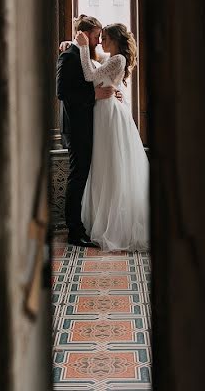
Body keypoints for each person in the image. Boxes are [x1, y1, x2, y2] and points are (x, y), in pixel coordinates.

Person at [75, 22, 149, 252]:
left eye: (105, 38)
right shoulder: (111, 60)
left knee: (111, 166)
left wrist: (83, 47)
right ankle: (103, 218)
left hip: (108, 115)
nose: (102, 41)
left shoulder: (117, 59)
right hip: (103, 112)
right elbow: (100, 75)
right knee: (103, 166)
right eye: (101, 37)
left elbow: (89, 74)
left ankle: (115, 225)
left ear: (116, 39)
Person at [56, 15, 116, 248]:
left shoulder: (84, 55)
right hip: (76, 127)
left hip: (87, 125)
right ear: (84, 34)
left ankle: (80, 226)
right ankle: (74, 231)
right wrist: (94, 96)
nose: (99, 40)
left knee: (81, 175)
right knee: (77, 176)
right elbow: (62, 92)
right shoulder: (68, 55)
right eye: (96, 35)